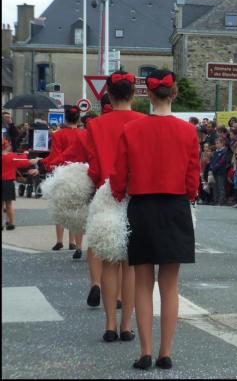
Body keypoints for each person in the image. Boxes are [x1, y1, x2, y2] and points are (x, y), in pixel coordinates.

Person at [110, 69, 200, 370]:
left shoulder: (132, 129)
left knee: (142, 283)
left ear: (148, 95)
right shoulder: (188, 131)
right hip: (175, 205)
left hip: (143, 207)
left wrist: (119, 192)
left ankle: (145, 352)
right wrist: (188, 194)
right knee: (170, 285)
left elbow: (119, 175)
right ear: (173, 95)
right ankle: (166, 352)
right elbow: (193, 178)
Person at [87, 70, 145, 343]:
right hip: (135, 195)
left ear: (108, 94)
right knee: (130, 264)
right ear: (134, 93)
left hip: (106, 194)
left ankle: (109, 324)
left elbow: (94, 168)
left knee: (109, 262)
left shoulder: (96, 125)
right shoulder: (144, 122)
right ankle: (126, 326)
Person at [39, 105, 83, 254]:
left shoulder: (58, 135)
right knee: (76, 209)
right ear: (78, 118)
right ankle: (74, 242)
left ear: (65, 118)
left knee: (60, 207)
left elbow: (55, 155)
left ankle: (59, 240)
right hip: (79, 173)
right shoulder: (83, 134)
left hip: (62, 172)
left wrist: (45, 164)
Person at [2, 139, 39, 230]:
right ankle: (10, 224)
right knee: (9, 204)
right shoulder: (12, 156)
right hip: (8, 183)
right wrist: (35, 159)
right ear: (8, 146)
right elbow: (26, 161)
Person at [210, 137, 228, 205]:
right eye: (216, 143)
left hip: (221, 172)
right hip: (215, 172)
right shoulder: (215, 152)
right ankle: (215, 200)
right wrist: (211, 168)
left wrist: (214, 168)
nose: (216, 145)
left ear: (222, 143)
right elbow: (212, 161)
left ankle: (221, 201)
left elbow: (221, 162)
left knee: (221, 187)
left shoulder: (224, 152)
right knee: (215, 187)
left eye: (218, 143)